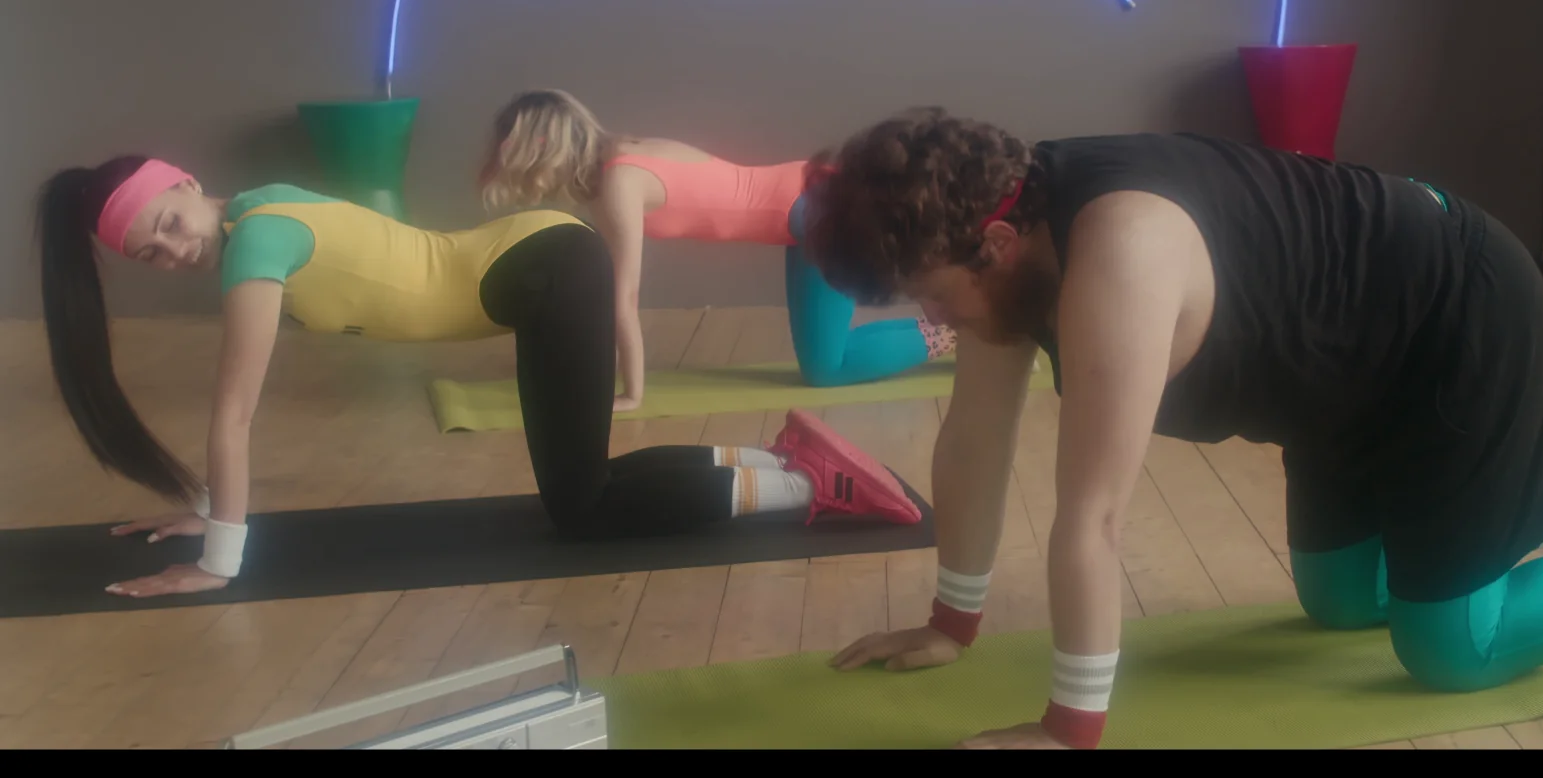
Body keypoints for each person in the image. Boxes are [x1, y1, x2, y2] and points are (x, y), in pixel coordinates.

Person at [798, 107, 1543, 750]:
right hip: (1343, 378)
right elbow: (976, 443)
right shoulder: (1006, 226)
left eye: (930, 300)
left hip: (1455, 317)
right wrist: (951, 624)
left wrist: (1071, 731)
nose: (936, 325)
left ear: (991, 241)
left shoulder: (1119, 259)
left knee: (1451, 650)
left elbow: (1094, 520)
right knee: (1342, 605)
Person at [34, 156, 923, 599]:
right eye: (155, 253)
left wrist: (219, 561)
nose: (176, 249)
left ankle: (811, 481)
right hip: (536, 270)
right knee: (585, 495)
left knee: (584, 510)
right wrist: (202, 501)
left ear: (188, 183)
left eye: (172, 221)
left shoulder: (256, 243)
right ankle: (786, 459)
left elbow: (234, 416)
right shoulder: (260, 211)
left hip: (545, 269)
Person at [478, 90, 957, 412]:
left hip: (819, 210)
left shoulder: (619, 182)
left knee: (827, 371)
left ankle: (957, 332)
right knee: (824, 365)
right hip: (805, 208)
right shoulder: (623, 155)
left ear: (541, 145)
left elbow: (621, 297)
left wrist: (632, 394)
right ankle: (956, 326)